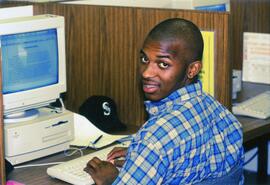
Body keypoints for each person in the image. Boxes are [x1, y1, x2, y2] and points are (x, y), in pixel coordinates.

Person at [84, 18, 244, 185]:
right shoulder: (223, 115)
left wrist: (111, 180)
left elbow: (160, 142)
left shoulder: (154, 141)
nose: (146, 73)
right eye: (145, 59)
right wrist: (142, 156)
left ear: (192, 69)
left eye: (163, 64)